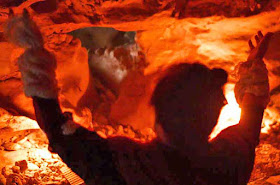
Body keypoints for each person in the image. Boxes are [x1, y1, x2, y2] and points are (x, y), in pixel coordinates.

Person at [5, 9, 273, 185]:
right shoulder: (228, 164)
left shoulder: (122, 165)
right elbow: (251, 117)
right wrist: (254, 69)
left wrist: (34, 53)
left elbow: (55, 128)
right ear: (213, 120)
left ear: (157, 114)